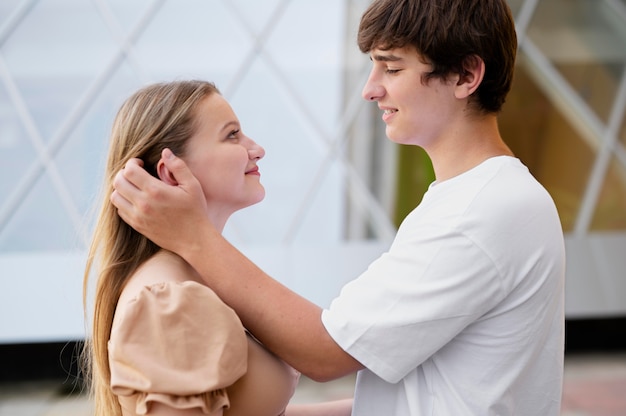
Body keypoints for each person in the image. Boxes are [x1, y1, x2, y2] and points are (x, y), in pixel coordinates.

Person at [110, 0, 566, 415]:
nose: (370, 89)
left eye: (391, 68)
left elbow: (326, 352)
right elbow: (421, 396)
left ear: (467, 76)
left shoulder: (479, 212)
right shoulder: (476, 200)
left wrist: (195, 238)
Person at [82, 80, 324, 416]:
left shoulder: (192, 279)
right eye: (232, 135)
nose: (256, 149)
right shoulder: (167, 302)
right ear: (170, 173)